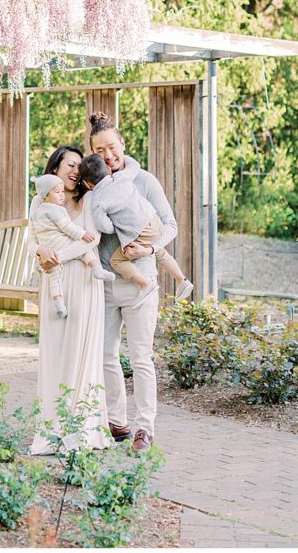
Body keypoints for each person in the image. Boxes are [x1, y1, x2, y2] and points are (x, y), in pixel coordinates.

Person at [88, 110, 178, 453]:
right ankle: (117, 422)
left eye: (112, 147)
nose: (108, 155)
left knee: (141, 357)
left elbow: (170, 224)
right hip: (106, 283)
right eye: (100, 151)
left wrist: (152, 247)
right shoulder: (92, 184)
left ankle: (145, 428)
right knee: (107, 355)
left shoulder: (145, 181)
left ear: (122, 144)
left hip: (141, 281)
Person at [27, 146, 111, 455]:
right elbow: (31, 239)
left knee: (81, 351)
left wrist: (57, 256)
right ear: (55, 170)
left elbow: (93, 238)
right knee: (54, 354)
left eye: (79, 166)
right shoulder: (40, 202)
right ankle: (51, 430)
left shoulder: (89, 199)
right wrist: (40, 252)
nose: (76, 171)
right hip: (55, 284)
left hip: (84, 281)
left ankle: (81, 429)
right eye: (70, 165)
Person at [79, 153, 193, 299]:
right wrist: (121, 157)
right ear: (108, 169)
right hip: (154, 220)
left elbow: (105, 227)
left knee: (117, 261)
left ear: (88, 185)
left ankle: (145, 284)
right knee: (160, 252)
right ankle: (181, 280)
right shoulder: (121, 177)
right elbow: (134, 166)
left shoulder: (97, 201)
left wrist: (116, 224)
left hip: (139, 232)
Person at [29, 172, 114, 318]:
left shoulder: (39, 211)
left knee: (53, 276)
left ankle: (59, 303)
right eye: (57, 192)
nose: (61, 195)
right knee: (86, 252)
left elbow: (36, 233)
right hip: (59, 243)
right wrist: (83, 234)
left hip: (50, 247)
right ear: (45, 195)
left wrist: (51, 255)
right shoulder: (55, 210)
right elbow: (67, 227)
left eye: (62, 191)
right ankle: (96, 269)